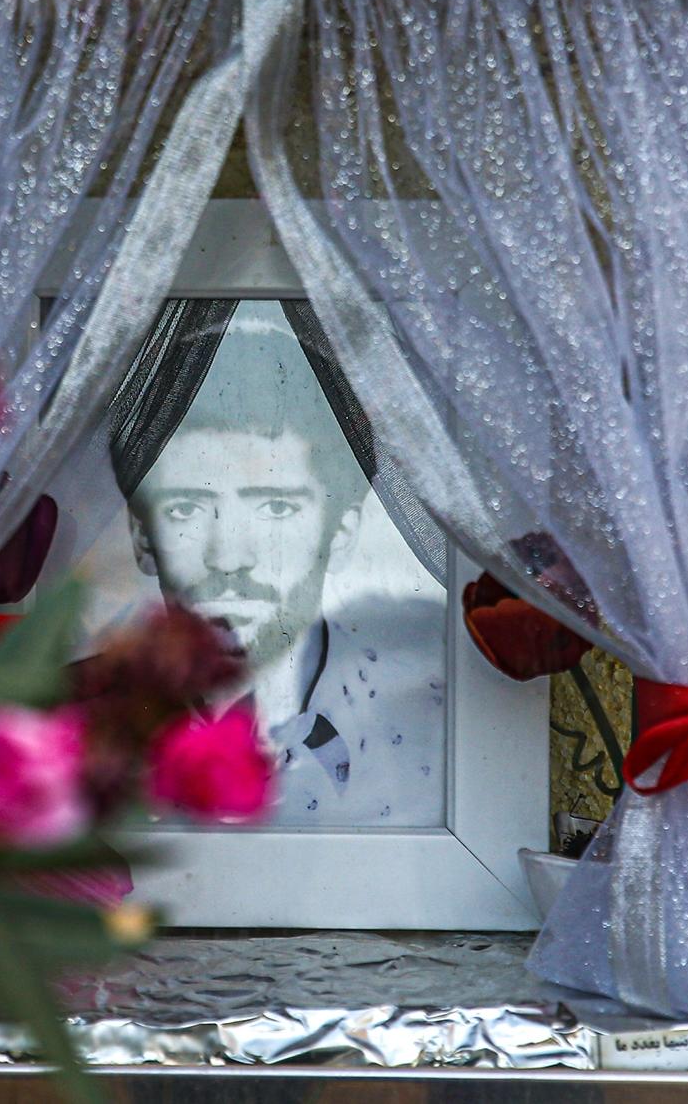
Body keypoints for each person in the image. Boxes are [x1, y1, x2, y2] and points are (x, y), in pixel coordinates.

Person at [117, 309, 445, 826]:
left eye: (275, 507)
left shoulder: (436, 726)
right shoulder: (74, 729)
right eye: (186, 508)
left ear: (340, 532)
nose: (229, 558)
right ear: (142, 536)